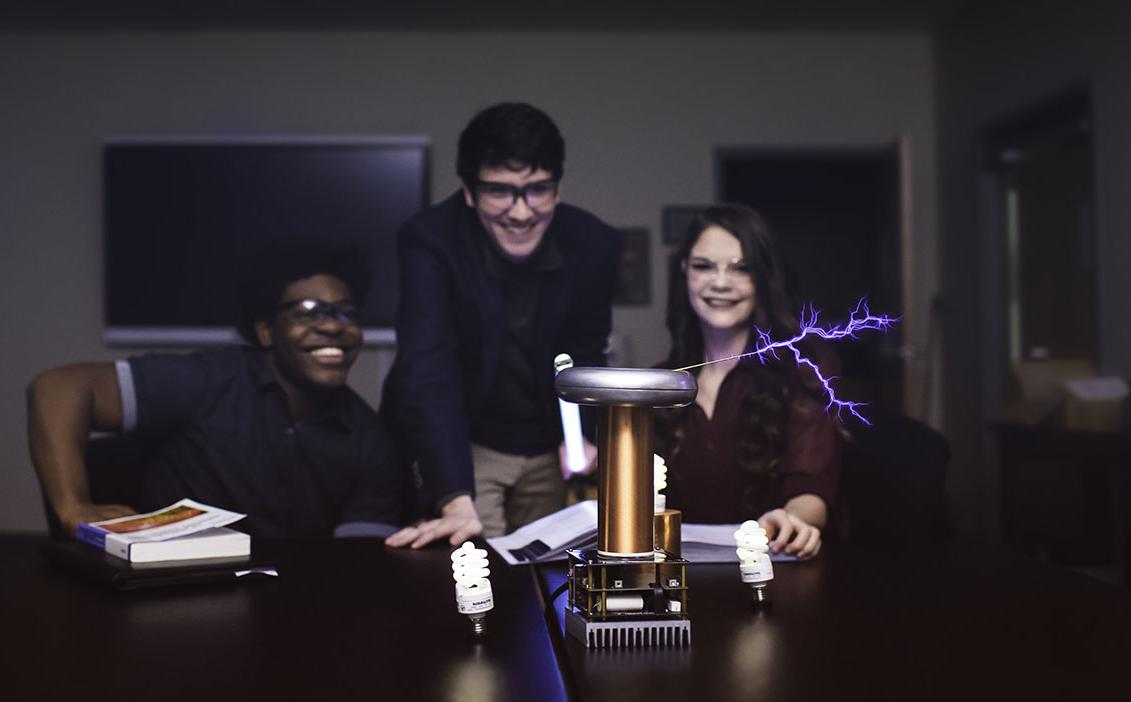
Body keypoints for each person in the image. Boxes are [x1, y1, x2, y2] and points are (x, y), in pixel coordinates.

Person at [27, 244, 403, 540]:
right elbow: (57, 389)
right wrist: (74, 507)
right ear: (265, 331)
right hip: (171, 596)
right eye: (309, 311)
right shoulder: (209, 380)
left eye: (347, 313)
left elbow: (359, 567)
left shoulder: (370, 441)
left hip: (295, 610)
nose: (334, 327)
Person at [382, 102, 622, 547]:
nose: (520, 212)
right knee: (473, 568)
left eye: (537, 190)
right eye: (500, 191)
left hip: (547, 444)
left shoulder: (594, 243)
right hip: (464, 441)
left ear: (558, 186)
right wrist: (453, 494)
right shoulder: (429, 240)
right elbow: (428, 366)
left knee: (546, 577)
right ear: (469, 192)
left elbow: (586, 350)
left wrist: (583, 436)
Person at [654, 204, 841, 559]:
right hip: (680, 579)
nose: (720, 282)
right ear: (684, 272)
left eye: (741, 269)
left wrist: (791, 520)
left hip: (771, 571)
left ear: (763, 278)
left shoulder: (804, 368)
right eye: (703, 266)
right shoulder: (662, 381)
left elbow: (811, 485)